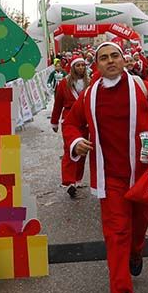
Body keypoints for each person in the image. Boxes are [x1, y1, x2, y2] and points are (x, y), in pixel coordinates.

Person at [63, 41, 148, 293]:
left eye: (115, 56)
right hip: (110, 179)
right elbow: (71, 123)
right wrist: (76, 142)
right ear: (97, 65)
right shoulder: (90, 94)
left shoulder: (142, 88)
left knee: (139, 225)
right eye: (104, 58)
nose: (110, 61)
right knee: (116, 235)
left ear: (124, 60)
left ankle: (136, 252)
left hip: (141, 173)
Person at [51, 57, 90, 198]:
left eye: (83, 65)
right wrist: (54, 121)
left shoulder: (89, 82)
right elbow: (58, 103)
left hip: (85, 121)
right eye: (78, 65)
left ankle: (77, 179)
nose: (81, 68)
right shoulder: (63, 83)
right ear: (73, 67)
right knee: (69, 150)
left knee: (82, 150)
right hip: (69, 119)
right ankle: (69, 182)